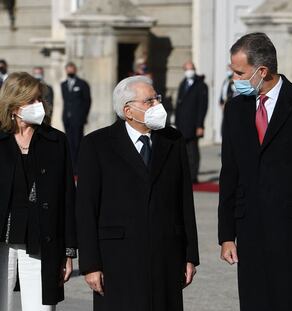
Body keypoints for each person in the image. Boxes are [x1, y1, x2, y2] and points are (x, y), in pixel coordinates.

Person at [218, 32, 292, 310]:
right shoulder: (236, 109)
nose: (234, 80)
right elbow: (230, 174)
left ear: (262, 71)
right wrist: (226, 235)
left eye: (239, 73)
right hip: (252, 233)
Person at [76, 75, 199, 311]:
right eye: (149, 101)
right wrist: (91, 264)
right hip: (118, 258)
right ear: (128, 110)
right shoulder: (96, 145)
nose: (157, 105)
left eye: (157, 98)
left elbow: (184, 201)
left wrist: (190, 255)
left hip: (166, 254)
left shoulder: (173, 140)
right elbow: (86, 209)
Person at [0, 72, 77, 311]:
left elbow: (67, 198)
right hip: (2, 242)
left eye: (40, 100)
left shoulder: (56, 141)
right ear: (13, 106)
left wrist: (68, 251)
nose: (39, 106)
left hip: (41, 240)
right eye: (31, 100)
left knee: (41, 308)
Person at [175, 61, 208, 183]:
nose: (190, 71)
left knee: (193, 151)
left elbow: (202, 107)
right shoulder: (183, 84)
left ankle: (193, 175)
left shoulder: (201, 85)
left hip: (194, 124)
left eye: (192, 68)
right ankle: (186, 173)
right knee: (184, 151)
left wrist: (200, 125)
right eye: (187, 69)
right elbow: (179, 105)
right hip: (182, 124)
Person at [60, 62, 91, 172]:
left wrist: (84, 115)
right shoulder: (63, 85)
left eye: (71, 69)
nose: (70, 71)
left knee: (77, 141)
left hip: (78, 118)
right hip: (67, 118)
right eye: (68, 69)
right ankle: (71, 166)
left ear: (75, 70)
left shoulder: (82, 84)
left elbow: (87, 101)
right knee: (69, 142)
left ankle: (78, 166)